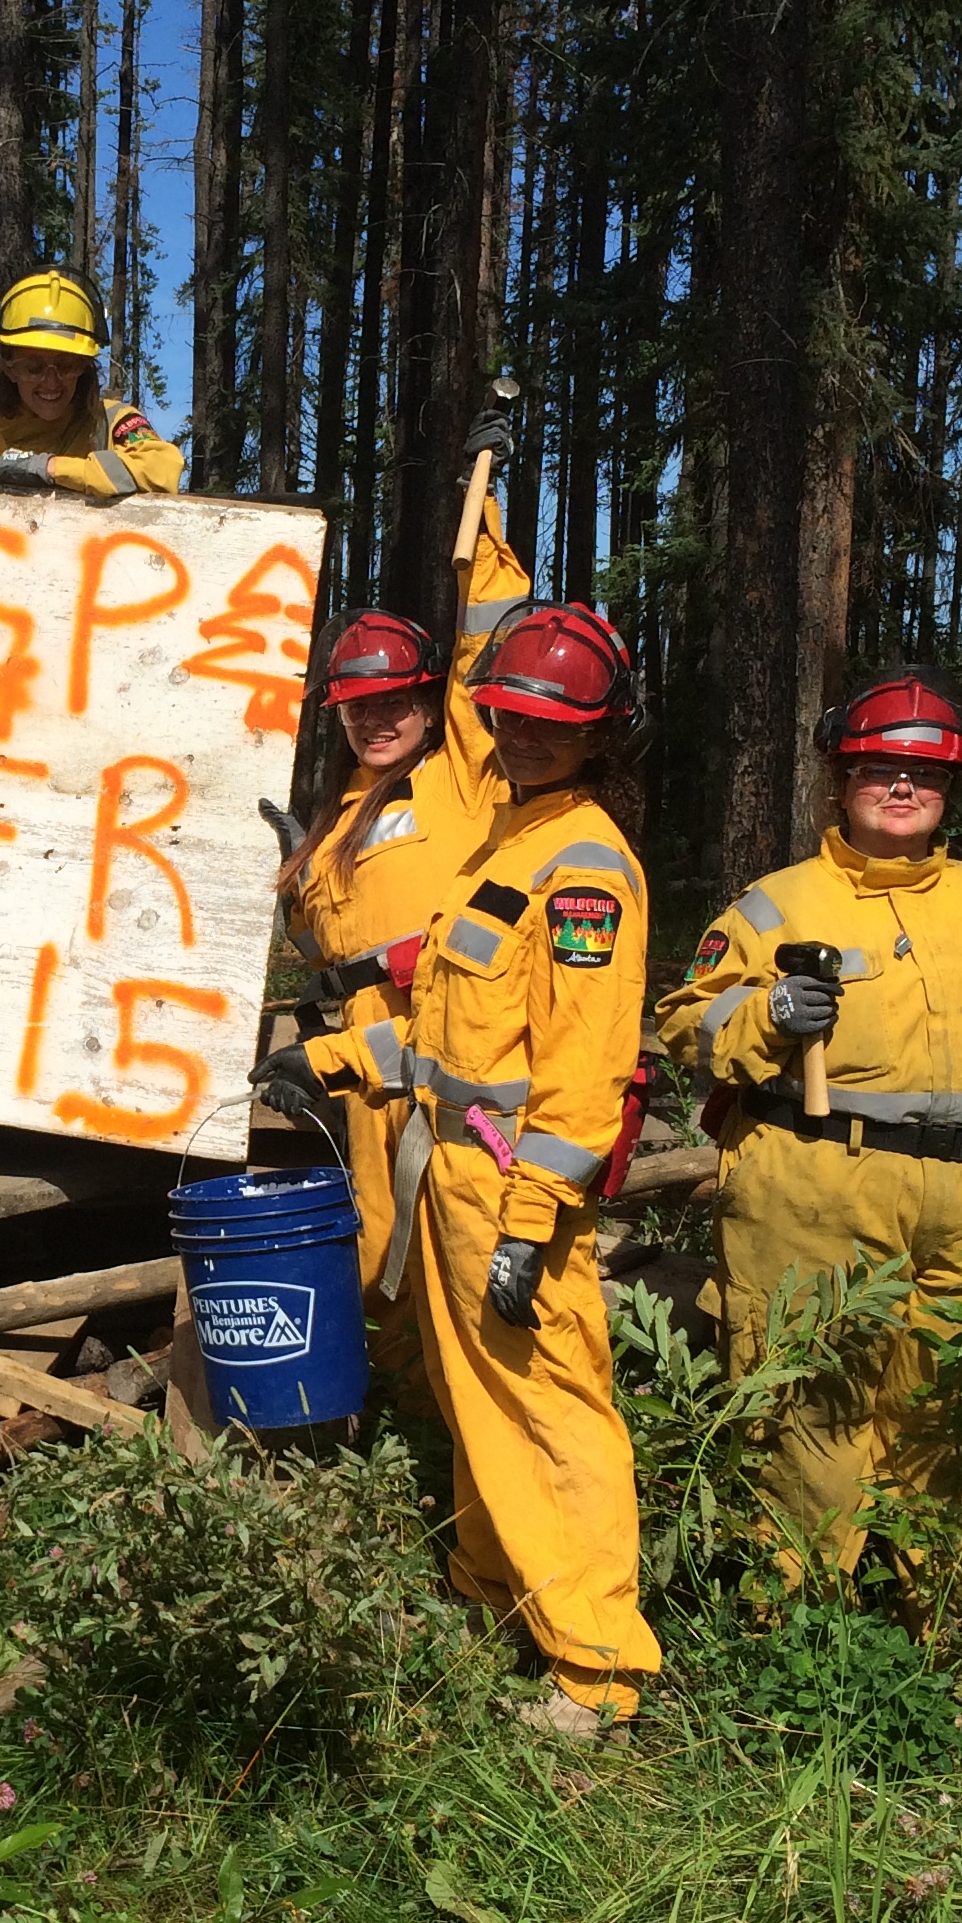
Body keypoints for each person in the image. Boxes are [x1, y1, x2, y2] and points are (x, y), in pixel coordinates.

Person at [257, 603, 658, 1741]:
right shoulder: (511, 844)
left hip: (509, 1190)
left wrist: (535, 1224)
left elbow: (580, 1075)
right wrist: (330, 1059)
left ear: (601, 734)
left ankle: (598, 1668)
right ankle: (494, 1601)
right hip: (456, 1177)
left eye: (554, 725)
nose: (526, 738)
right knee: (480, 1406)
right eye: (512, 718)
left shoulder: (584, 871)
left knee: (550, 1415)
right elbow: (455, 1037)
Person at [654, 668, 962, 1583]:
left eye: (922, 776)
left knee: (961, 1411)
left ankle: (938, 1623)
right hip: (816, 1193)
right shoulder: (776, 906)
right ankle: (798, 1630)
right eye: (878, 769)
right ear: (840, 781)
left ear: (949, 790)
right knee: (807, 1416)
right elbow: (688, 1024)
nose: (901, 788)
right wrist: (769, 1013)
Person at [268, 431, 536, 1360]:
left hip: (448, 1025)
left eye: (396, 702)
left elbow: (489, 636)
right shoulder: (340, 811)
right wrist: (297, 879)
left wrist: (482, 506)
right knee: (380, 1235)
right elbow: (321, 950)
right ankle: (394, 1419)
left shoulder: (464, 770)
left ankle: (452, 1409)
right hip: (366, 1043)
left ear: (429, 704)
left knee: (454, 1226)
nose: (377, 718)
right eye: (357, 706)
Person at [0, 267, 184, 497]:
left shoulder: (112, 424)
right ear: (8, 367)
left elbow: (162, 470)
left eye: (67, 366)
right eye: (33, 368)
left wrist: (50, 468)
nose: (51, 382)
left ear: (85, 365)